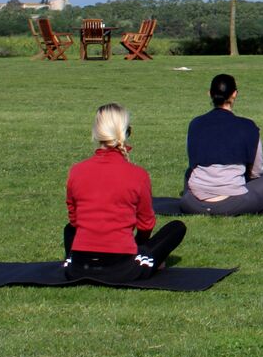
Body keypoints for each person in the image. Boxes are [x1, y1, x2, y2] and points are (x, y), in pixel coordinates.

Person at [64, 103, 186, 281]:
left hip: (78, 268)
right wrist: (140, 247)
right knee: (176, 228)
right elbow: (146, 224)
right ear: (128, 132)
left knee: (69, 229)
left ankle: (71, 258)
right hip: (122, 269)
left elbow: (74, 220)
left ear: (96, 132)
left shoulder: (77, 171)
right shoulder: (138, 175)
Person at [179, 73, 263, 215]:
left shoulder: (195, 124)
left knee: (190, 171)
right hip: (233, 203)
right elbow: (256, 172)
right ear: (234, 94)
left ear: (210, 94)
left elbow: (193, 162)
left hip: (193, 203)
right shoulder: (248, 127)